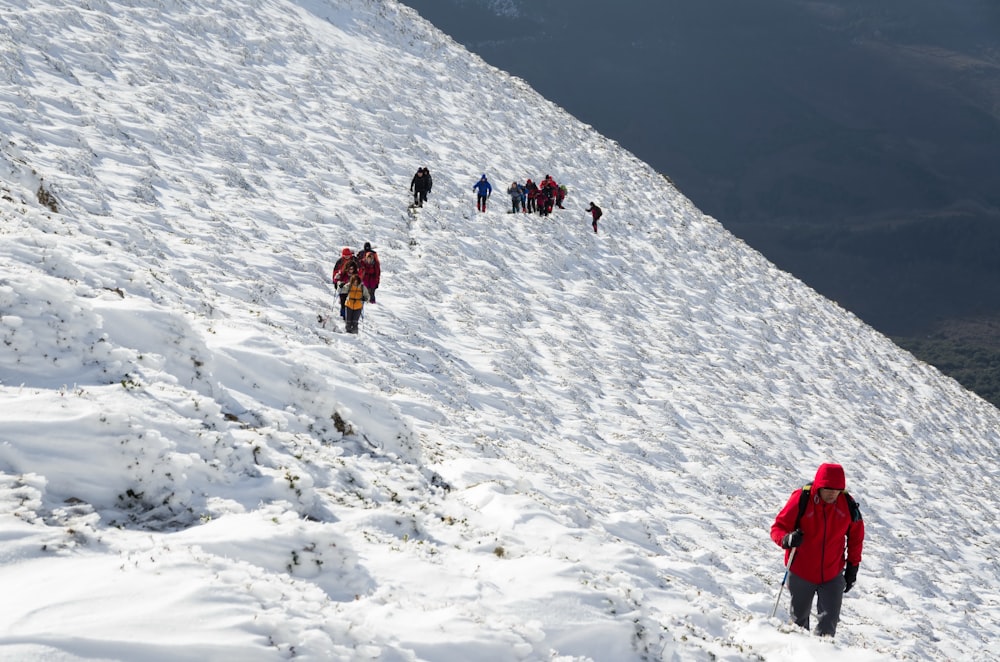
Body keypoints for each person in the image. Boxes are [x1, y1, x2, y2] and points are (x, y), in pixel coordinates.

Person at [770, 463, 865, 637]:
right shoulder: (802, 498)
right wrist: (786, 539)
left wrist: (853, 567)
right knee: (799, 624)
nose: (832, 493)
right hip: (801, 572)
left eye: (837, 489)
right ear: (819, 485)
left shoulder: (848, 504)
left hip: (832, 573)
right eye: (828, 488)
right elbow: (778, 527)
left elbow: (856, 538)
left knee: (829, 626)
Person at [331, 247, 357, 318]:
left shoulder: (354, 260)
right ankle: (343, 314)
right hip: (343, 283)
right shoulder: (340, 261)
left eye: (348, 255)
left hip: (352, 283)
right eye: (345, 255)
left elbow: (360, 270)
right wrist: (335, 282)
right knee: (343, 299)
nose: (347, 256)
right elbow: (335, 272)